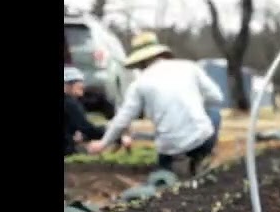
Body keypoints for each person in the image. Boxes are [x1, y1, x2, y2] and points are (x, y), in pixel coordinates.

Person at [87, 32, 225, 175]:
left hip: (169, 148)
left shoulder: (139, 84)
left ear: (140, 62)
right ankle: (200, 158)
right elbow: (217, 97)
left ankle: (170, 168)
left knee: (165, 163)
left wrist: (103, 143)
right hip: (201, 141)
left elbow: (123, 119)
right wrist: (196, 103)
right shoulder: (189, 67)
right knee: (214, 114)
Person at [63, 66, 114, 156]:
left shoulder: (71, 102)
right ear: (67, 85)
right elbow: (87, 129)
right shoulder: (69, 103)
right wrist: (112, 132)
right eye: (78, 82)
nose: (83, 85)